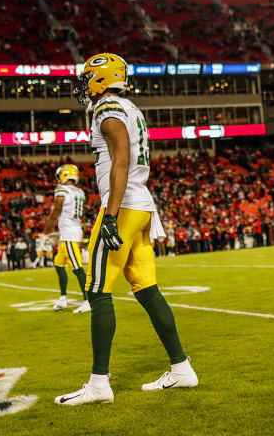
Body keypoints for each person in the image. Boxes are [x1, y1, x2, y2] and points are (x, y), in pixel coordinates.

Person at [57, 53, 196, 406]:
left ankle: (99, 383)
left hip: (124, 206)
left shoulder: (107, 110)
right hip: (142, 204)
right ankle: (182, 369)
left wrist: (109, 215)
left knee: (97, 289)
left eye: (89, 77)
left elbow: (120, 159)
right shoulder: (129, 106)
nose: (84, 84)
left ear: (101, 79)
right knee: (147, 288)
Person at [47, 163, 92, 313]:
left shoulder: (62, 190)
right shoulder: (80, 192)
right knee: (59, 264)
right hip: (71, 232)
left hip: (69, 235)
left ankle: (88, 301)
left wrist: (45, 232)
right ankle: (63, 299)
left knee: (77, 268)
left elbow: (55, 213)